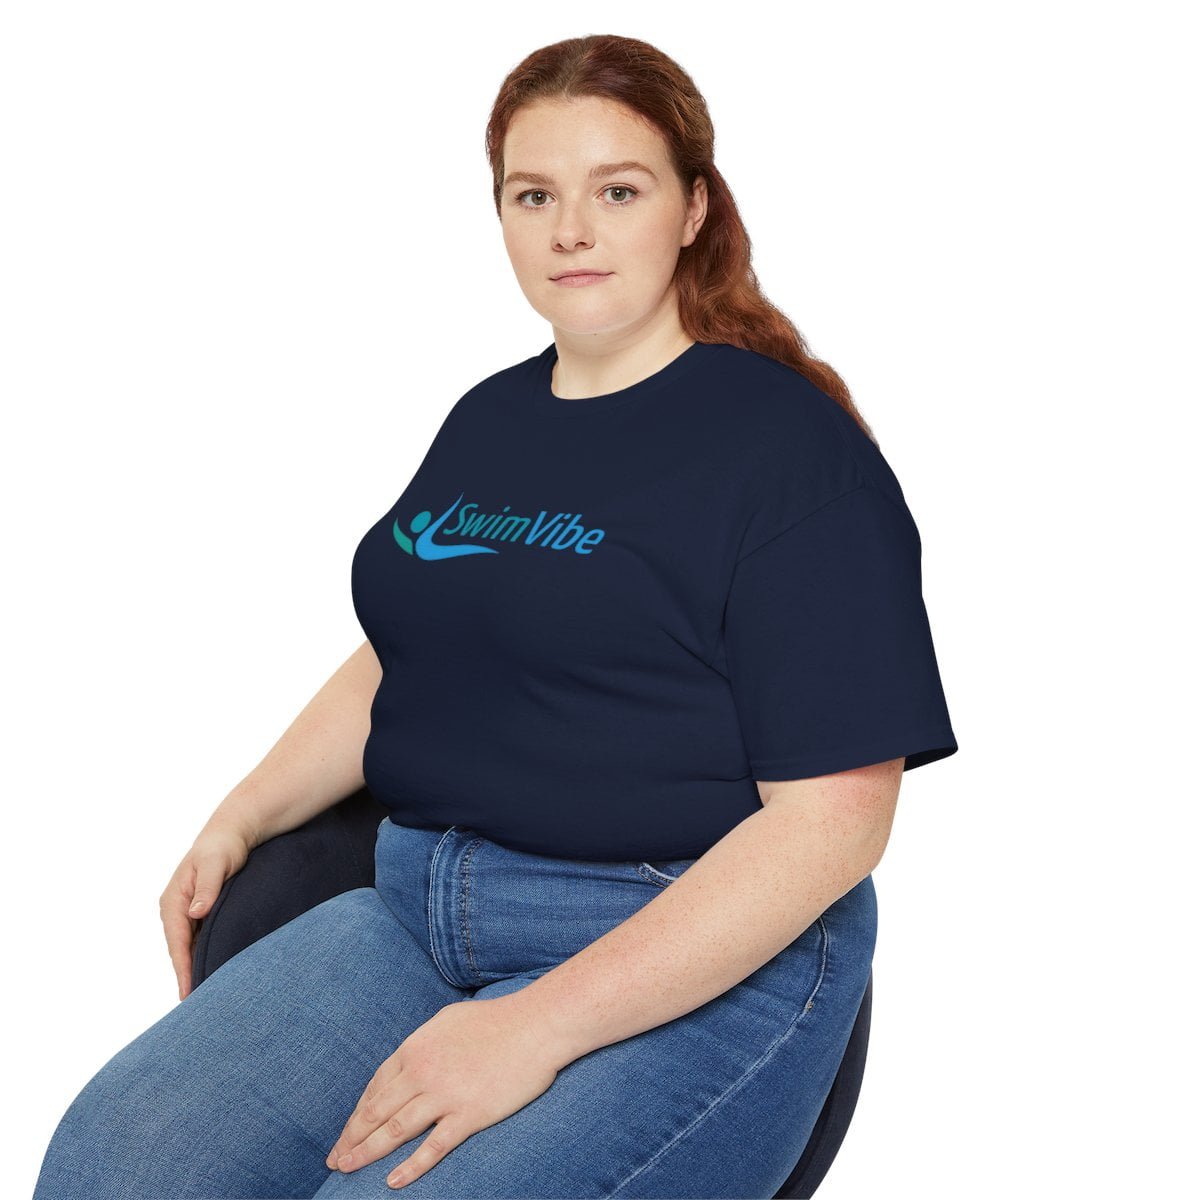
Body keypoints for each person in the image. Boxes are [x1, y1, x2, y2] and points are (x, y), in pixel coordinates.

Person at [33, 32, 958, 1200]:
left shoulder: (792, 458)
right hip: (420, 914)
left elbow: (834, 825)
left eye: (617, 191)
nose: (571, 230)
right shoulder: (492, 419)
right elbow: (417, 649)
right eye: (534, 195)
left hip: (677, 939)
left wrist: (536, 1029)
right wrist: (241, 814)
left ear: (691, 209)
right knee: (109, 1170)